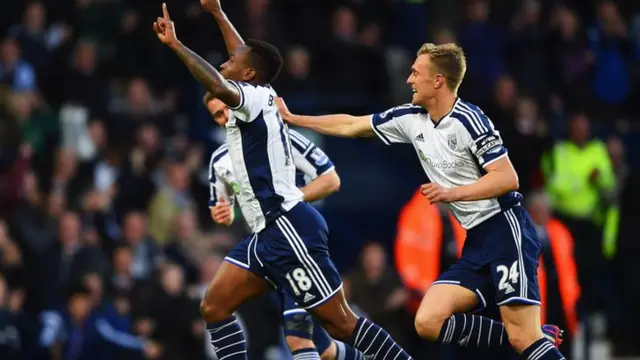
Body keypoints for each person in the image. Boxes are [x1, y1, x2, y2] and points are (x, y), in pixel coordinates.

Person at [152, 2, 414, 360]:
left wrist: (177, 46)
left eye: (234, 60)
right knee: (213, 307)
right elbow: (244, 59)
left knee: (340, 325)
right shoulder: (257, 95)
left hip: (290, 226)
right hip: (263, 235)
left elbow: (218, 80)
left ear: (248, 75)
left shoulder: (254, 99)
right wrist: (217, 13)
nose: (228, 59)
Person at [276, 42, 566, 359]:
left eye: (416, 73)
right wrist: (294, 118)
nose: (409, 80)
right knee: (427, 321)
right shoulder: (411, 118)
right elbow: (352, 124)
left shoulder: (470, 120)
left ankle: (528, 337)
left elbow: (508, 178)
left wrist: (451, 192)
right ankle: (530, 335)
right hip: (477, 241)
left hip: (506, 232)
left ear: (438, 80)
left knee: (524, 339)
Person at [205, 96, 361, 360]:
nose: (224, 119)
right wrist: (225, 214)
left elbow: (331, 180)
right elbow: (221, 207)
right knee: (326, 350)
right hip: (265, 253)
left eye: (226, 110)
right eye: (217, 116)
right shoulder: (220, 160)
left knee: (298, 337)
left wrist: (287, 201)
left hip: (300, 242)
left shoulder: (280, 139)